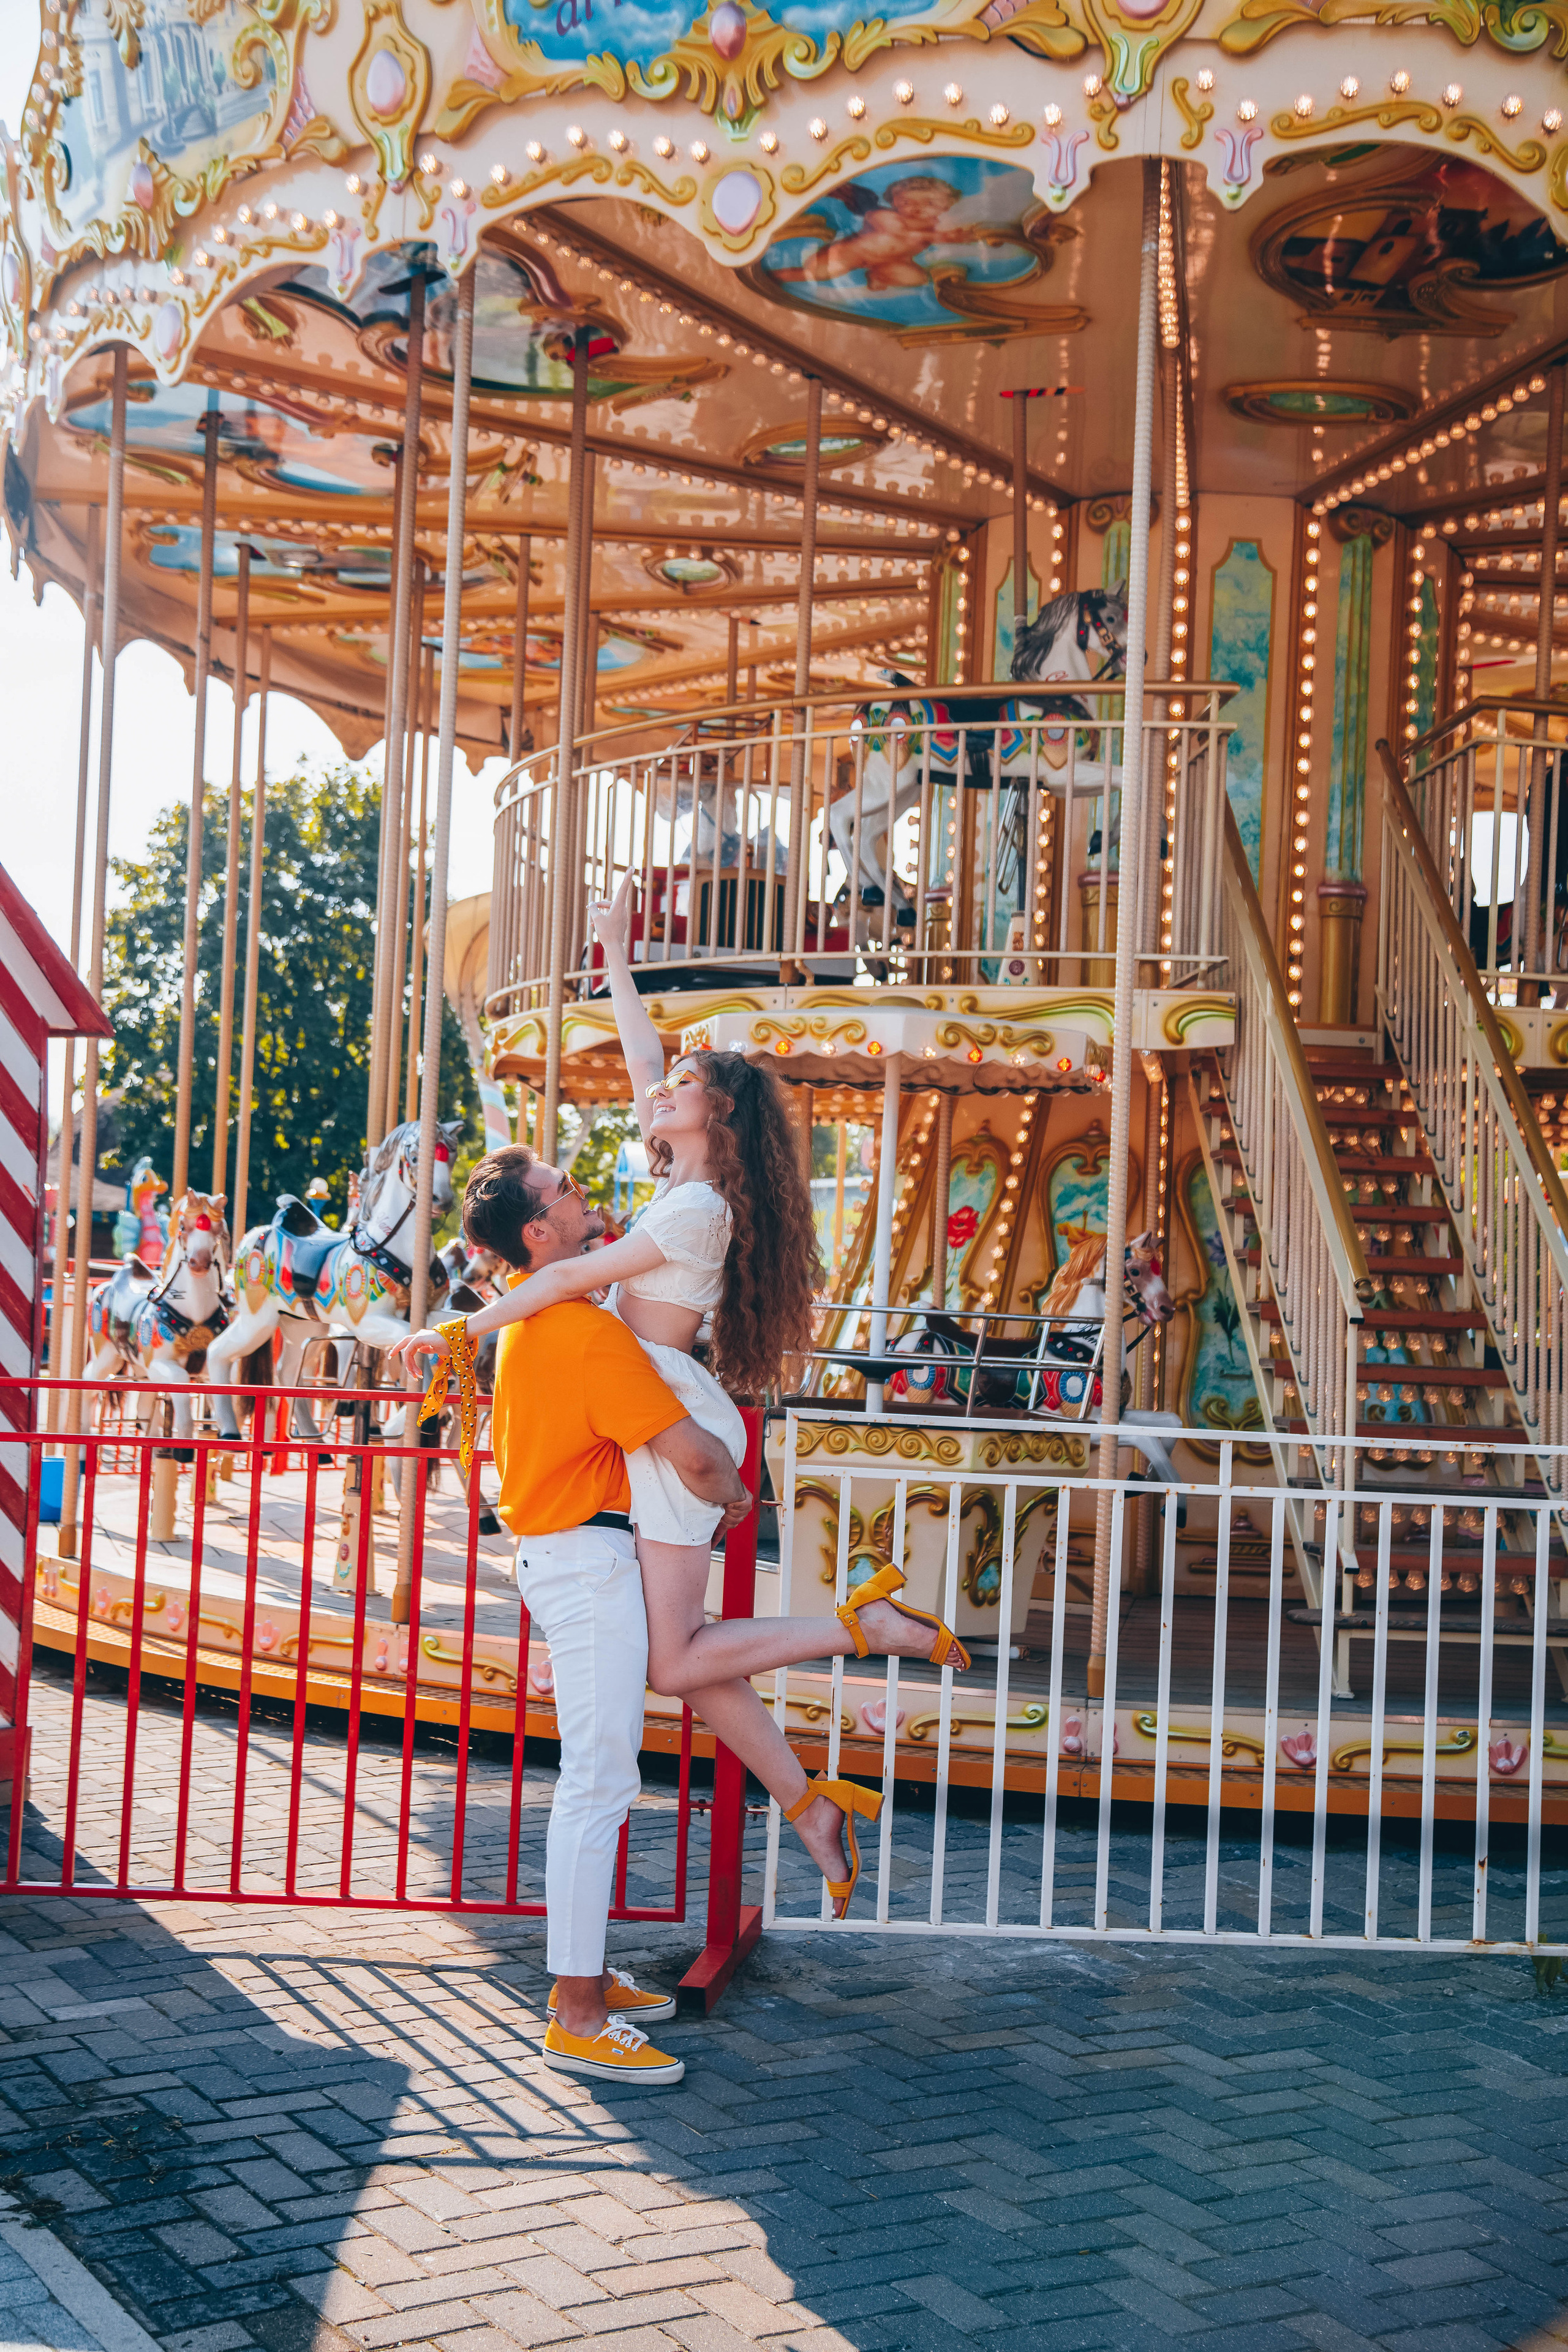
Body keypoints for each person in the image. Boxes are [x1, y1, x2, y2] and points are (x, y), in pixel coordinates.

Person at [397, 873, 971, 1932]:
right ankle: (809, 1805)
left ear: (720, 1115)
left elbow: (571, 1280)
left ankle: (862, 1629)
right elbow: (648, 1062)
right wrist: (616, 951)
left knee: (672, 1659)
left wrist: (458, 1329)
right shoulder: (683, 1178)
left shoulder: (700, 1205)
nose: (657, 1095)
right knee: (689, 1664)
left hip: (663, 1421)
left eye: (684, 1088)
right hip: (655, 1408)